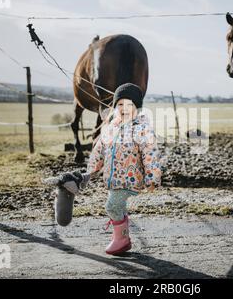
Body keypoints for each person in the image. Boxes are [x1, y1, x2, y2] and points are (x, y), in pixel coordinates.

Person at [52, 83, 162, 255]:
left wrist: (152, 178)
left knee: (112, 207)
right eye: (120, 104)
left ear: (137, 107)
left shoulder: (142, 129)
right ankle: (122, 236)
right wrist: (90, 171)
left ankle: (121, 240)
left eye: (129, 105)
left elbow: (151, 155)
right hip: (114, 180)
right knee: (117, 207)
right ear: (115, 107)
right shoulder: (111, 128)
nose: (124, 108)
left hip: (130, 179)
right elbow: (99, 151)